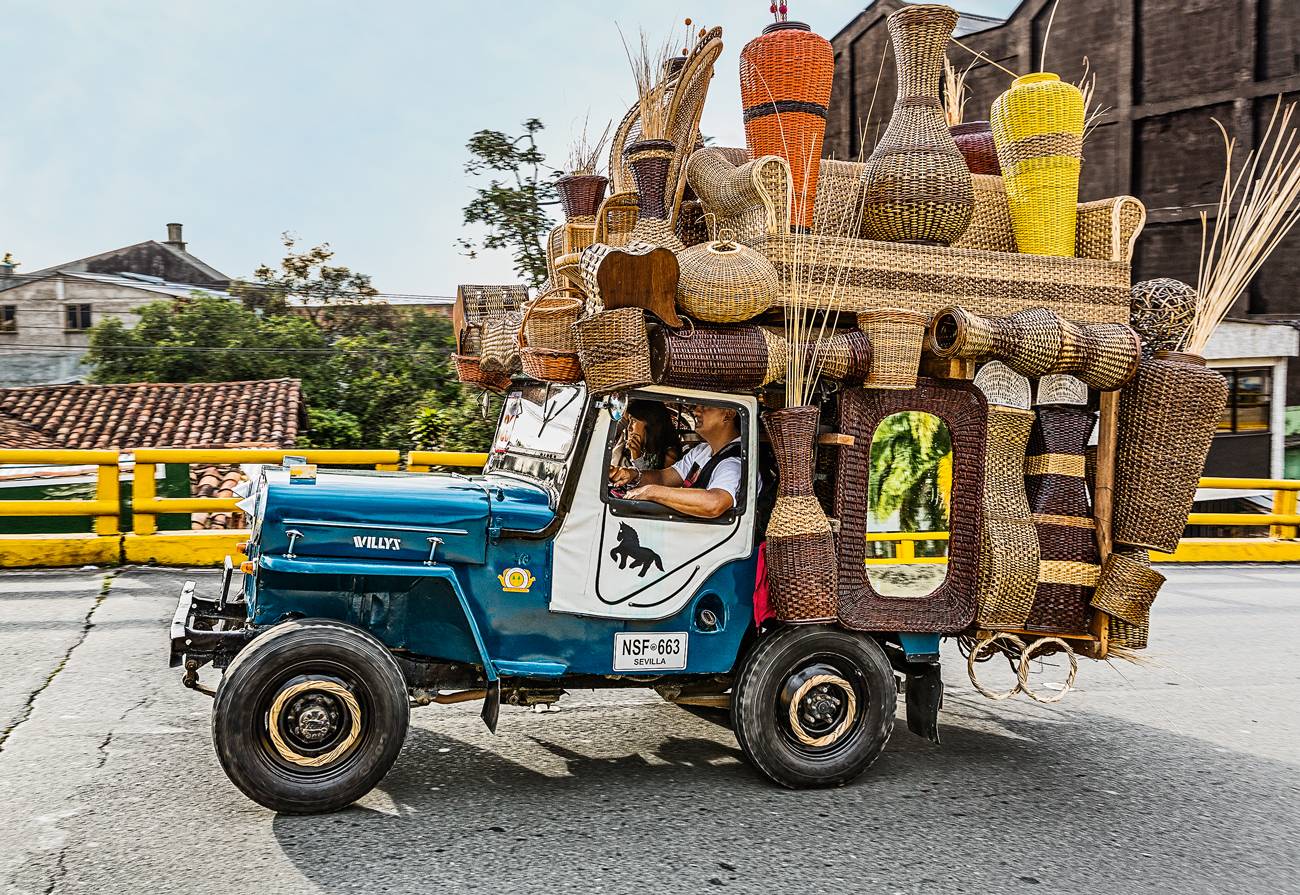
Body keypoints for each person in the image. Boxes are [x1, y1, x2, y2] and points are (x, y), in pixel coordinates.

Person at [609, 404, 744, 519]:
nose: (696, 411)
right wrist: (632, 474)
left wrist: (651, 492)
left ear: (729, 414)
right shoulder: (701, 450)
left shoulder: (734, 460)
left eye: (705, 406)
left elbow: (714, 504)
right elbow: (664, 478)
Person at [624, 400, 682, 471]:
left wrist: (637, 459)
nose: (629, 428)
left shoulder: (669, 455)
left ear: (650, 423)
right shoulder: (646, 450)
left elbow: (654, 478)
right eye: (629, 421)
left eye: (633, 421)